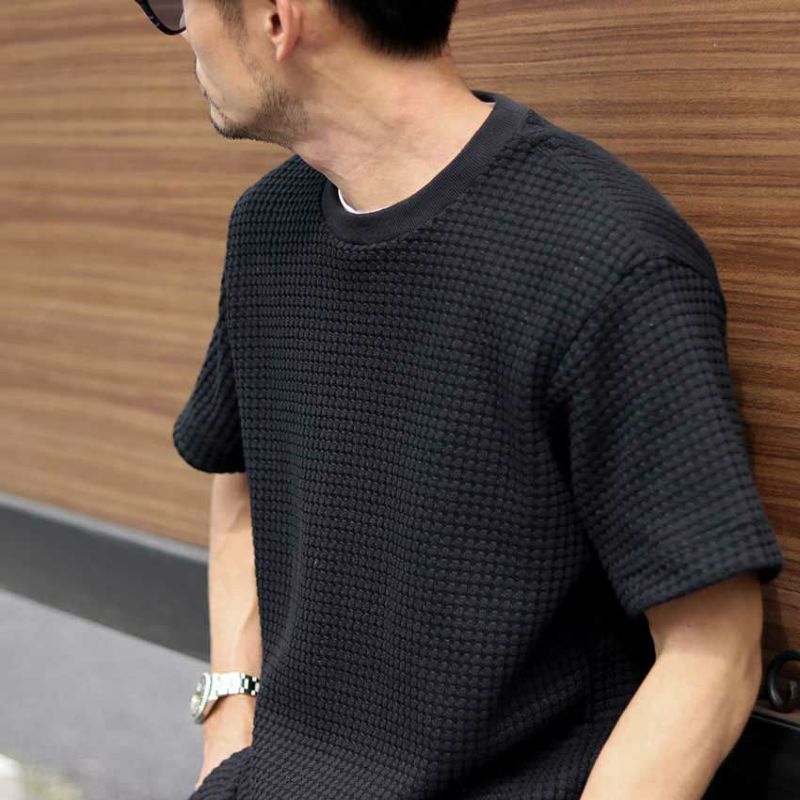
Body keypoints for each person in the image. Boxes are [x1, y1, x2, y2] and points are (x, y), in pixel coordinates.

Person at [137, 1, 786, 798]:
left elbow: (713, 650)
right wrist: (228, 726)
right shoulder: (267, 229)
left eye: (178, 3)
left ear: (278, 16)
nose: (179, 28)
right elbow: (239, 484)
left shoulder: (604, 257)